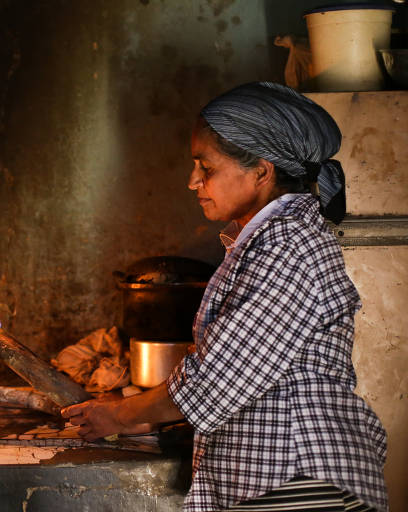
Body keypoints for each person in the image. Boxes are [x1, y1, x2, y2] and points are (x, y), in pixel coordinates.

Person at [62, 82, 388, 512]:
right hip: (283, 479)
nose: (193, 180)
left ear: (261, 170)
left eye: (206, 167)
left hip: (298, 479)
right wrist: (130, 406)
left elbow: (217, 378)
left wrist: (118, 415)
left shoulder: (287, 245)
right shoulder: (268, 240)